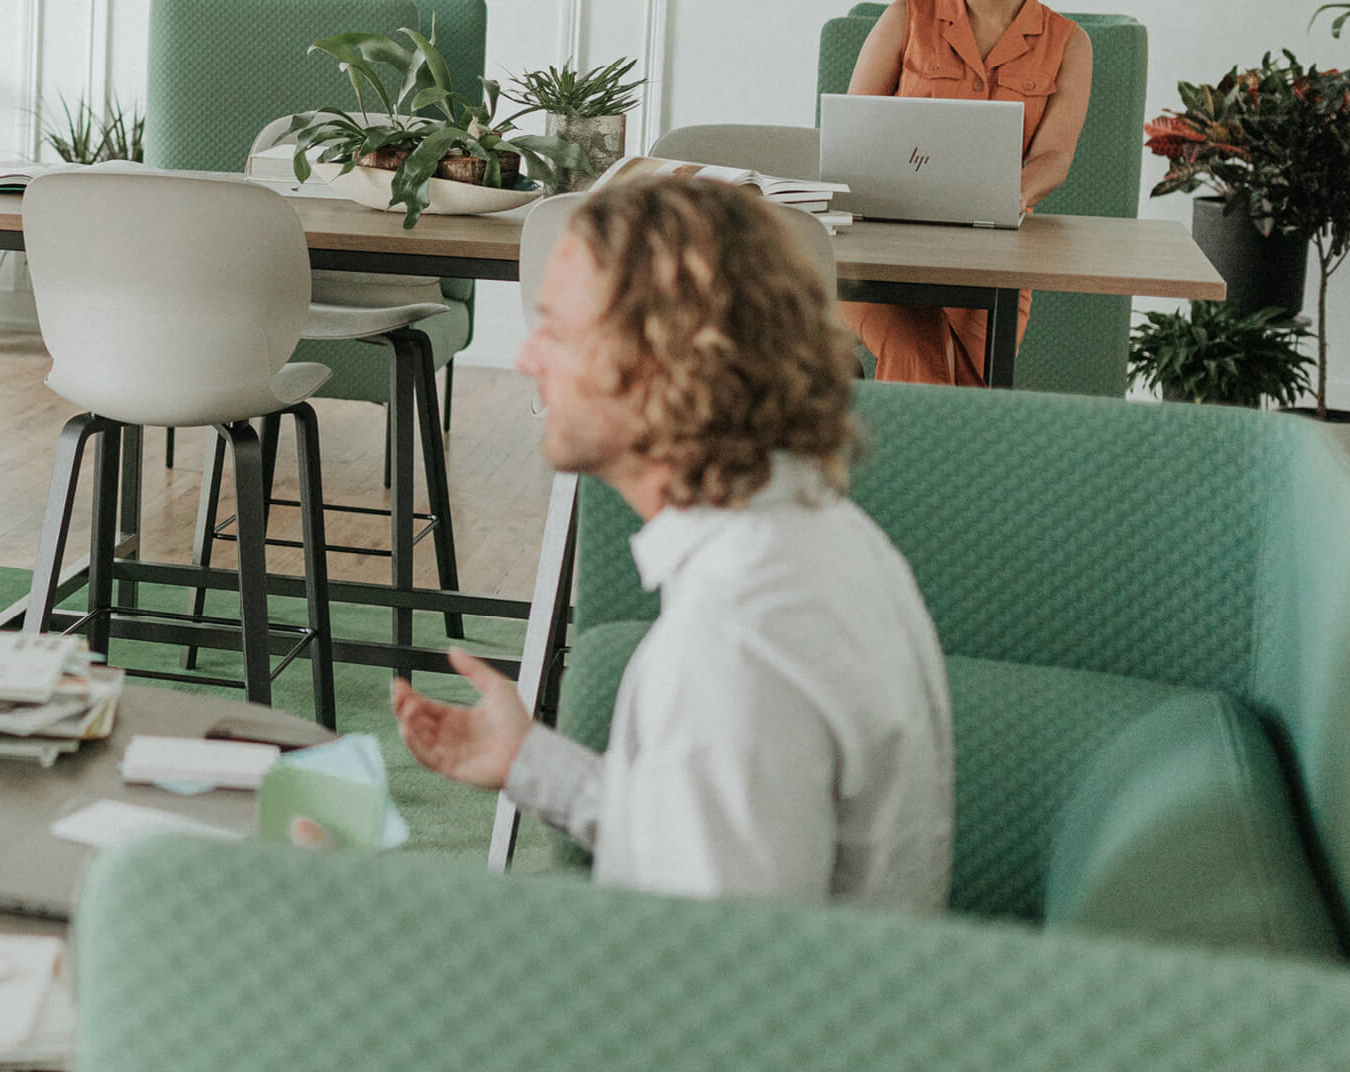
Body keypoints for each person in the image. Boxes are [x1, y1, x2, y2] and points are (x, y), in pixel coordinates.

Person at [393, 177, 954, 909]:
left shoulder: (735, 642)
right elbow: (698, 839)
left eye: (556, 329)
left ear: (660, 364)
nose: (528, 358)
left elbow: (717, 988)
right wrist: (530, 761)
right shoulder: (827, 537)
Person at [840, 0, 1093, 385]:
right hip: (882, 256)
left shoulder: (1069, 44)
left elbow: (1054, 158)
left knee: (958, 387)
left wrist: (1006, 196)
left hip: (996, 263)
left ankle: (883, 464)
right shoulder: (906, 16)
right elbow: (852, 136)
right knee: (938, 376)